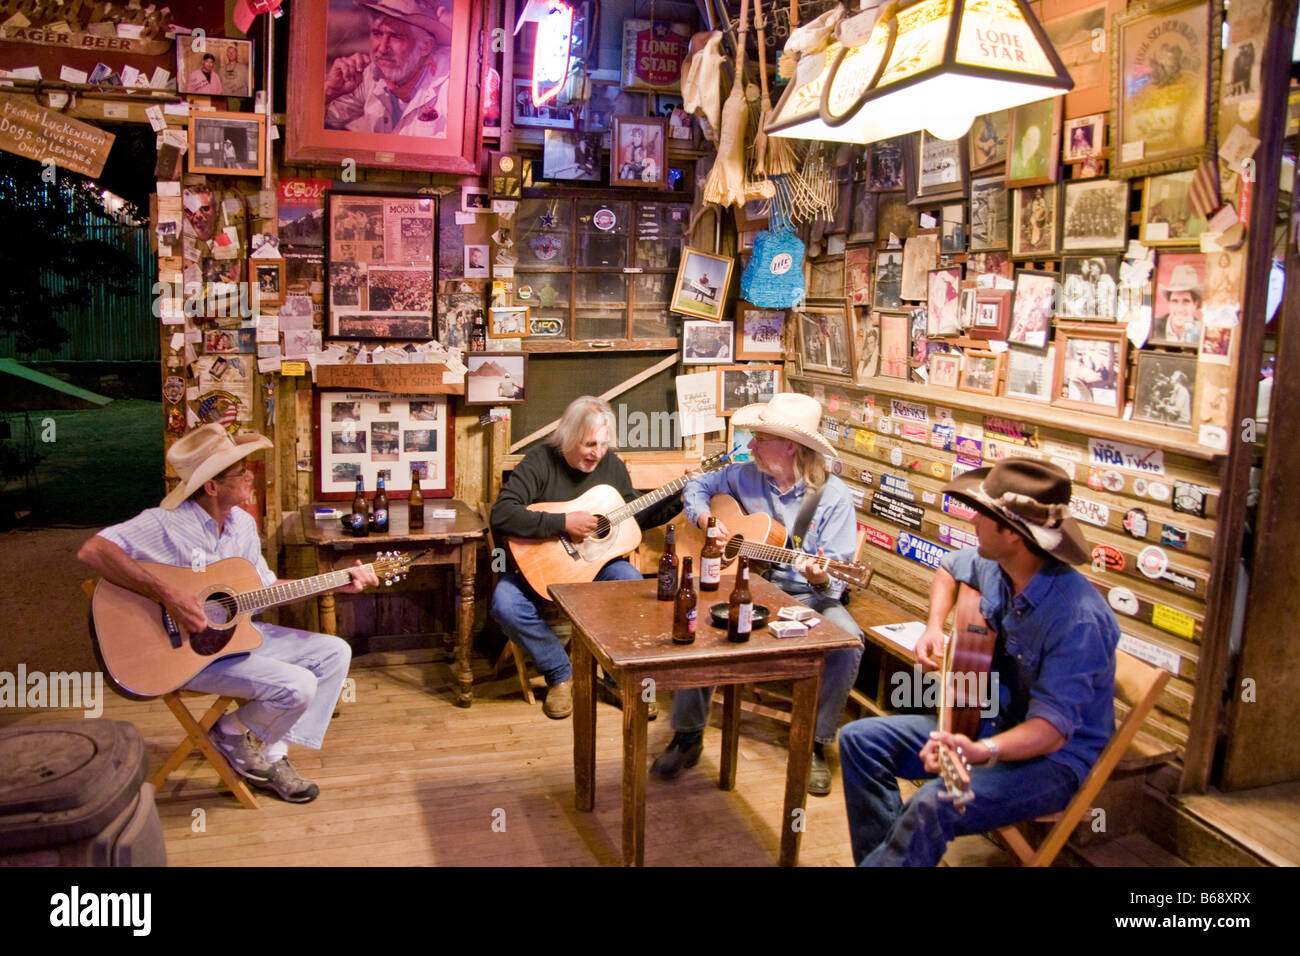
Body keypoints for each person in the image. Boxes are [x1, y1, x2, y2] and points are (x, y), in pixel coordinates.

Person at [838, 459, 1119, 866]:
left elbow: (1052, 731)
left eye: (982, 514)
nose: (971, 520)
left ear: (1013, 533)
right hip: (990, 725)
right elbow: (949, 570)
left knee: (935, 800)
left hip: (1052, 764)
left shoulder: (1077, 619)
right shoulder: (997, 564)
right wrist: (934, 627)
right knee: (860, 741)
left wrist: (979, 750)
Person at [77, 425, 378, 802]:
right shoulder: (164, 524)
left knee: (335, 653)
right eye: (241, 471)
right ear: (212, 487)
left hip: (235, 639)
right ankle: (235, 737)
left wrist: (332, 583)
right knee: (297, 684)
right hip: (186, 656)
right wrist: (169, 595)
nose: (251, 475)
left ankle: (261, 749)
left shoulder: (243, 525)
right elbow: (94, 551)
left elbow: (264, 592)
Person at [651, 393, 864, 796]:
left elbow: (836, 580)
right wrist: (706, 519)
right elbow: (697, 485)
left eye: (760, 439)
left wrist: (820, 579)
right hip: (746, 589)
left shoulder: (834, 498)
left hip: (808, 596)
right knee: (696, 624)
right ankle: (688, 736)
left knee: (848, 641)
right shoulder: (744, 475)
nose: (750, 446)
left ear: (790, 447)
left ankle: (816, 743)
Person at [489, 397, 682, 719]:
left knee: (630, 583)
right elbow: (501, 515)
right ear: (567, 436)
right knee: (504, 603)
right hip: (536, 569)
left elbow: (634, 518)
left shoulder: (612, 466)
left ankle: (614, 677)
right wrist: (562, 523)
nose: (598, 453)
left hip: (595, 568)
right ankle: (559, 675)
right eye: (589, 444)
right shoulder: (539, 462)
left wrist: (681, 497)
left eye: (604, 444)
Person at [324, 0, 452, 137]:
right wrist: (330, 91)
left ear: (425, 46)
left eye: (396, 36)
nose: (383, 48)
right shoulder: (366, 74)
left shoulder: (451, 87)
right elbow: (325, 121)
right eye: (377, 33)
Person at [1152, 264, 1203, 346]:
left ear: (1195, 305)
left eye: (1186, 302)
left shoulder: (1202, 332)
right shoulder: (1153, 327)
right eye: (1175, 301)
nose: (1180, 309)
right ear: (1169, 303)